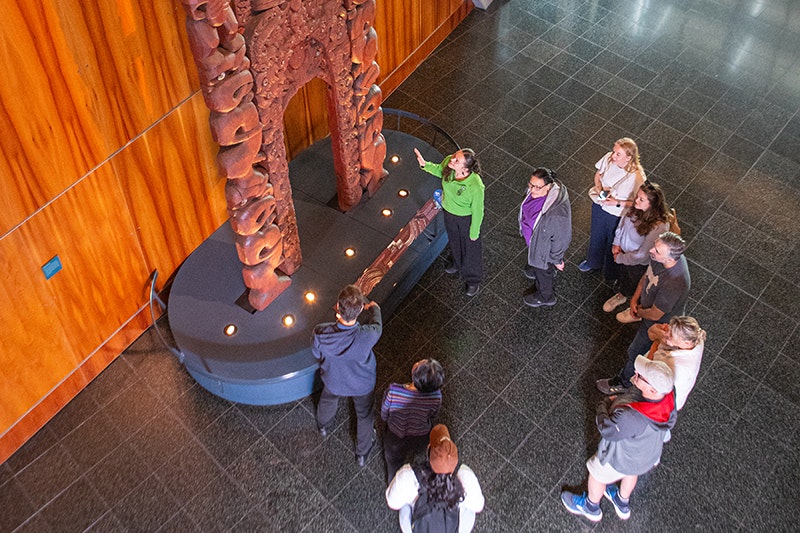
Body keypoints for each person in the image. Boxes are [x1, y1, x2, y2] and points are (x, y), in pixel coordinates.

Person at [561, 356, 677, 522]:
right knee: (631, 474)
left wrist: (603, 405)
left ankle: (591, 507)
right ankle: (622, 502)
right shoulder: (669, 395)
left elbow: (607, 430)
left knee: (597, 475)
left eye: (640, 376)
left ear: (652, 390)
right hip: (645, 456)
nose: (635, 373)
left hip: (621, 458)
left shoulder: (632, 417)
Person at [597, 232, 690, 395]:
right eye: (654, 245)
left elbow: (655, 314)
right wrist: (634, 300)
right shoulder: (659, 258)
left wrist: (637, 312)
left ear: (670, 259)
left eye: (657, 250)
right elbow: (646, 276)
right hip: (647, 311)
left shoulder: (675, 283)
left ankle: (625, 382)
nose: (651, 250)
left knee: (636, 351)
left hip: (658, 323)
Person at [312, 284, 382, 467]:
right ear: (360, 310)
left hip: (333, 380)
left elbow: (316, 354)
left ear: (338, 307)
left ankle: (323, 426)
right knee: (364, 414)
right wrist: (374, 309)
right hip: (362, 384)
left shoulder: (321, 332)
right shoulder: (369, 335)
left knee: (327, 400)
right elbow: (377, 325)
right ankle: (362, 453)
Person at [386, 424, 485, 533]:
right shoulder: (466, 476)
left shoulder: (408, 475)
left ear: (428, 451)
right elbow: (478, 506)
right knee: (469, 510)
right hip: (452, 527)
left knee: (404, 506)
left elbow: (392, 503)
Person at [414, 147, 485, 297]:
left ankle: (473, 280)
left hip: (466, 219)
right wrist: (425, 165)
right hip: (449, 213)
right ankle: (457, 261)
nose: (452, 160)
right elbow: (440, 171)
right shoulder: (449, 164)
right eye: (454, 156)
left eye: (457, 160)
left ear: (465, 169)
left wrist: (474, 232)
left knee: (470, 248)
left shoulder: (475, 186)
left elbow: (478, 211)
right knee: (454, 240)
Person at [579, 138, 645, 280]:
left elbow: (639, 202)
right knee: (596, 235)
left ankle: (611, 271)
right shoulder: (609, 158)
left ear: (629, 158)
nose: (613, 156)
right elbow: (598, 175)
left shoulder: (637, 176)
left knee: (613, 242)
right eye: (614, 151)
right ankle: (593, 262)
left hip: (617, 214)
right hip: (600, 205)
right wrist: (599, 189)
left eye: (618, 154)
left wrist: (616, 202)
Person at [602, 181, 669, 313]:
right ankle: (621, 291)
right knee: (623, 274)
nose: (636, 200)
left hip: (637, 263)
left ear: (652, 205)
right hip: (623, 253)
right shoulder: (636, 208)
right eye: (637, 196)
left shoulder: (658, 226)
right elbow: (622, 224)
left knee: (634, 281)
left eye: (641, 199)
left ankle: (629, 301)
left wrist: (620, 258)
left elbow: (641, 255)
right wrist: (616, 243)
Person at [381, 359, 445, 482]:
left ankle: (393, 483)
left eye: (420, 363)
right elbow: (433, 415)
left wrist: (386, 420)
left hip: (395, 434)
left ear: (415, 374)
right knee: (420, 462)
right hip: (421, 435)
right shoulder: (436, 396)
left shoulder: (394, 391)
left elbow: (384, 411)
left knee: (393, 462)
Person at [518, 167, 572, 307]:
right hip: (536, 243)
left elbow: (561, 239)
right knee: (539, 266)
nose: (532, 190)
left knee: (543, 272)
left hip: (543, 250)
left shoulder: (556, 213)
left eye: (537, 187)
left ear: (548, 187)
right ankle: (536, 266)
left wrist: (556, 259)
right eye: (531, 184)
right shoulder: (538, 193)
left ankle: (546, 296)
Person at [648, 316, 705, 411]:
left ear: (686, 343)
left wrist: (656, 344)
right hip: (676, 400)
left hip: (662, 402)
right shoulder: (696, 338)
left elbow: (648, 366)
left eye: (671, 335)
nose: (666, 334)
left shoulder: (670, 363)